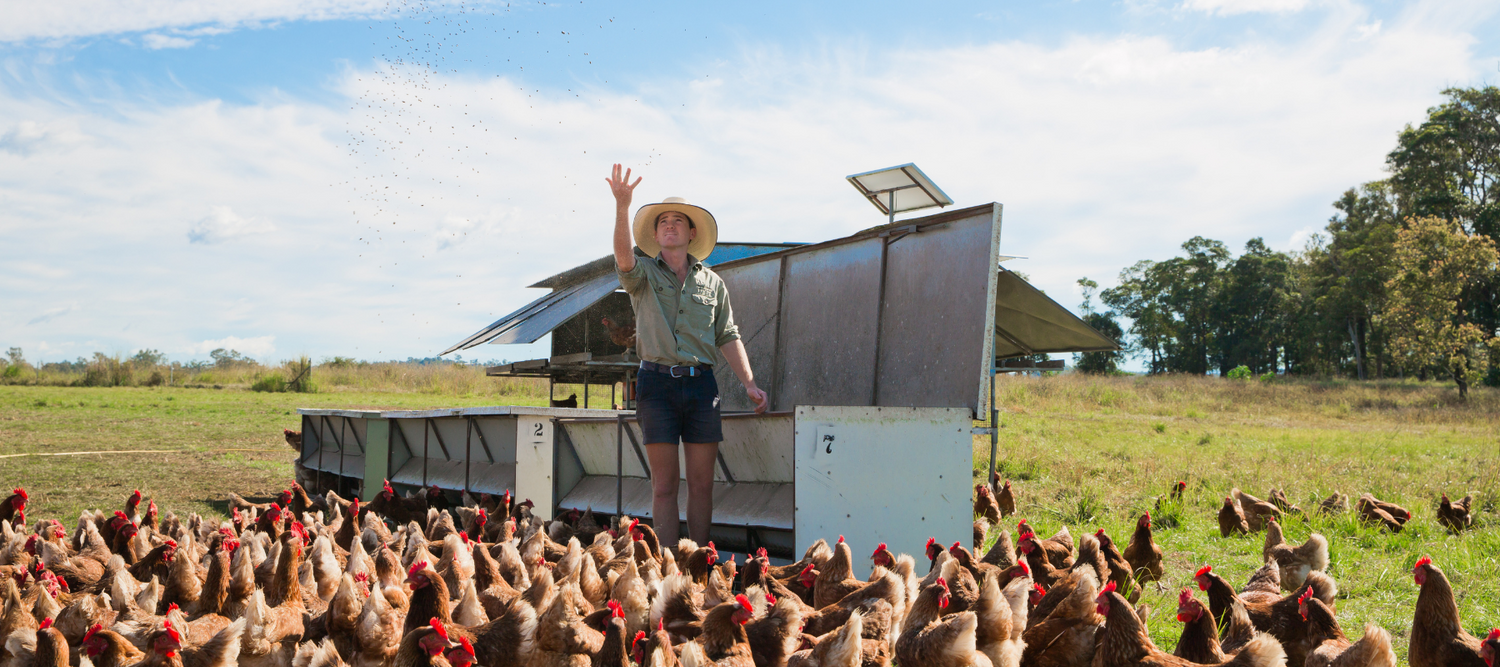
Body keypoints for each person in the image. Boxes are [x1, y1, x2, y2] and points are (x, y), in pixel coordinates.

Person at [606, 164, 769, 546]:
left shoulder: (713, 283)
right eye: (663, 220)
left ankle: (698, 564)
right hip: (656, 384)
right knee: (664, 486)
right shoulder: (642, 274)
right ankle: (666, 567)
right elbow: (622, 259)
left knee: (701, 484)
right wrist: (622, 206)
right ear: (656, 232)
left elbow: (728, 335)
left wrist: (749, 383)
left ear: (691, 233)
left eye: (678, 220)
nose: (670, 225)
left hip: (701, 389)